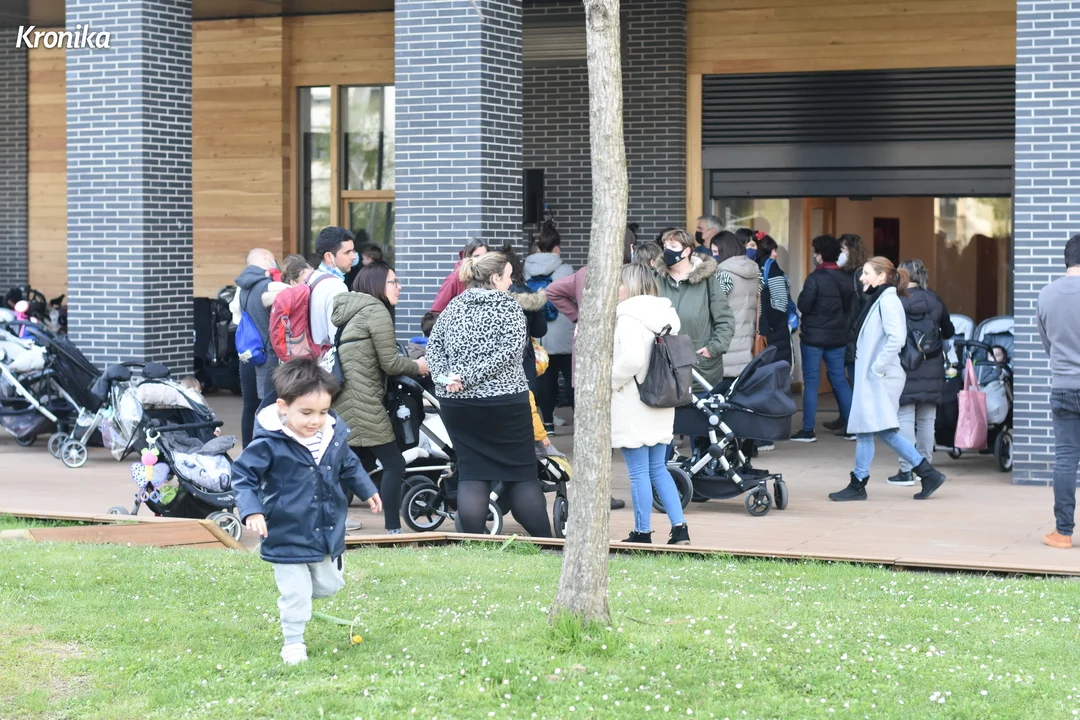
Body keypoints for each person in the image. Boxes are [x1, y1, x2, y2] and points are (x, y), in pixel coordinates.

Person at [232, 359, 383, 665]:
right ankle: (293, 642)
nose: (316, 420)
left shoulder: (331, 435)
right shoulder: (269, 442)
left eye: (323, 412)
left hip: (325, 528)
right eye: (306, 413)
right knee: (296, 593)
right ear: (283, 407)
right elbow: (243, 476)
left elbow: (349, 464)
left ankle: (301, 597)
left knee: (329, 585)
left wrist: (368, 489)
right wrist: (252, 511)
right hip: (284, 530)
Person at [426, 251, 553, 537]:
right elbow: (509, 354)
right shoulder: (509, 307)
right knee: (521, 476)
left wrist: (448, 379)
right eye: (508, 277)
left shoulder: (454, 306)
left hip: (458, 405)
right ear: (495, 278)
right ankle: (547, 543)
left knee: (473, 474)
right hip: (504, 404)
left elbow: (433, 349)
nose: (510, 282)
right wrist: (466, 377)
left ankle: (473, 542)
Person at [829, 257, 948, 502]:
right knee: (879, 431)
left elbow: (897, 338)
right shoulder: (882, 299)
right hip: (877, 377)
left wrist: (877, 368)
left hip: (879, 377)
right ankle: (926, 473)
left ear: (881, 276)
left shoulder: (888, 301)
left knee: (874, 430)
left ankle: (860, 483)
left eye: (866, 273)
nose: (862, 278)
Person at [332, 261, 428, 534]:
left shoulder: (354, 311)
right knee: (394, 464)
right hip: (363, 402)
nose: (399, 287)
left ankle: (330, 524)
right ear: (377, 285)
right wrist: (418, 366)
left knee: (355, 465)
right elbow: (390, 363)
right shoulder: (376, 311)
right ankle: (392, 529)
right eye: (393, 282)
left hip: (348, 399)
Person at [612, 263, 690, 545]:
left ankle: (642, 532)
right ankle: (680, 528)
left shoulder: (628, 316)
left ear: (630, 286)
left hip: (635, 401)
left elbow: (632, 358)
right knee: (658, 468)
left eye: (619, 283)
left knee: (638, 473)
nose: (616, 289)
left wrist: (609, 380)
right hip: (662, 399)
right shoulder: (665, 314)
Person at [886, 259, 955, 486]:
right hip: (932, 363)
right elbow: (949, 330)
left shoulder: (895, 301)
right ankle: (925, 468)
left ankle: (907, 469)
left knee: (904, 417)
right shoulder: (933, 299)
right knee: (927, 419)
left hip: (905, 364)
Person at [793, 235, 855, 443]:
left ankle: (808, 430)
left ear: (819, 255)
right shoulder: (846, 278)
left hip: (813, 337)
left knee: (811, 383)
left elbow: (804, 305)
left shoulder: (815, 278)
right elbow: (848, 308)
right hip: (837, 337)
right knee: (840, 380)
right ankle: (853, 427)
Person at [1039, 235, 1080, 549]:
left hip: (1064, 386)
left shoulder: (1046, 294)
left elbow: (1047, 344)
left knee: (1065, 460)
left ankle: (1063, 532)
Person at [654, 229, 735, 389]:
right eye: (665, 246)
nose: (667, 250)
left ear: (686, 251)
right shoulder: (657, 279)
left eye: (673, 246)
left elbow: (725, 320)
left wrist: (713, 349)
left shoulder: (708, 281)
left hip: (700, 368)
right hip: (663, 368)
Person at [524, 226, 575, 434]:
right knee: (572, 379)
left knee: (545, 379)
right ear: (556, 248)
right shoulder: (565, 269)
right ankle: (580, 422)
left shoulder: (526, 268)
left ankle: (548, 424)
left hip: (540, 332)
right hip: (564, 332)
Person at [825, 233, 871, 434]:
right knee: (837, 375)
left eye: (842, 249)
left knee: (852, 377)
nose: (840, 253)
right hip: (845, 331)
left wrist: (854, 329)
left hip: (853, 334)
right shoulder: (846, 272)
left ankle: (854, 423)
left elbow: (863, 307)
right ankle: (845, 416)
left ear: (852, 250)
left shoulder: (860, 274)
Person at [234, 248, 279, 446]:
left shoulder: (241, 286)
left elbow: (235, 315)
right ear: (265, 257)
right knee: (267, 407)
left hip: (247, 353)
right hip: (267, 355)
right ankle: (263, 452)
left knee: (249, 406)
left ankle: (247, 452)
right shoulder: (269, 285)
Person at [713, 232, 760, 380]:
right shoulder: (755, 272)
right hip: (747, 339)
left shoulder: (722, 275)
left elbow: (713, 308)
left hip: (726, 342)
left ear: (724, 250)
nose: (713, 256)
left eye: (715, 252)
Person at [308, 226, 357, 347]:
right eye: (347, 252)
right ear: (329, 256)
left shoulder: (312, 278)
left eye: (353, 251)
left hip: (311, 353)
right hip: (326, 355)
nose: (353, 256)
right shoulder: (336, 287)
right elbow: (337, 335)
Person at [754, 233, 793, 368]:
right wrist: (772, 323)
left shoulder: (756, 266)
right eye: (772, 250)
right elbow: (780, 302)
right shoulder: (772, 268)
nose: (775, 254)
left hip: (766, 330)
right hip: (774, 332)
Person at [430, 239, 489, 313]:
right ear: (467, 257)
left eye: (484, 257)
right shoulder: (454, 279)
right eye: (476, 256)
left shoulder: (490, 277)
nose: (481, 260)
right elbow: (436, 311)